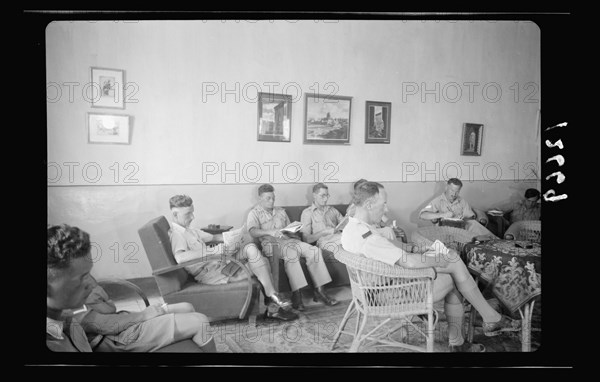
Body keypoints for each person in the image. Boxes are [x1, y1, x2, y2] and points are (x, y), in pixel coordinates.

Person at [340, 182, 521, 352]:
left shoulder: (353, 227)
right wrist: (439, 260)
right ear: (370, 204)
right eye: (384, 204)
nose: (386, 209)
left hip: (375, 289)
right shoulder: (367, 238)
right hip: (388, 295)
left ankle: (480, 325)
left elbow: (390, 249)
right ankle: (480, 325)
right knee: (453, 266)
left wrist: (416, 248)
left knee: (452, 270)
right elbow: (409, 263)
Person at [47, 224, 217, 352]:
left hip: (119, 324)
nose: (92, 284)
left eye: (89, 274)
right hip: (117, 336)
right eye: (82, 277)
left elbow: (108, 313)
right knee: (199, 321)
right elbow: (106, 325)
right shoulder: (57, 339)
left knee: (188, 309)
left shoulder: (65, 318)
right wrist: (146, 314)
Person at [168, 195, 297, 321]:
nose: (192, 217)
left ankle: (272, 298)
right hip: (211, 273)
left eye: (192, 212)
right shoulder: (177, 235)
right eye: (188, 214)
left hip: (219, 264)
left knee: (251, 247)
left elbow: (215, 237)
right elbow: (180, 257)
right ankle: (273, 303)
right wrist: (212, 250)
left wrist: (236, 235)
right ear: (175, 215)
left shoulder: (190, 231)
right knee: (261, 263)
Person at [247, 184, 338, 311]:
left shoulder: (281, 211)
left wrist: (293, 231)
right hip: (272, 245)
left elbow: (289, 229)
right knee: (291, 255)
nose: (272, 201)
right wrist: (270, 232)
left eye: (273, 198)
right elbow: (253, 232)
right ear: (260, 198)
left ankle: (320, 290)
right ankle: (297, 295)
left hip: (290, 241)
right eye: (268, 198)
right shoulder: (254, 213)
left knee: (314, 251)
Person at [419, 178, 497, 238]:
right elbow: (423, 215)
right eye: (452, 190)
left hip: (462, 231)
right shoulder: (437, 201)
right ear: (446, 188)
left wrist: (464, 218)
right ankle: (493, 242)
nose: (454, 194)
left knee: (473, 224)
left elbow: (470, 217)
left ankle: (495, 241)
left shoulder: (462, 201)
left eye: (457, 191)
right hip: (445, 232)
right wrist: (442, 214)